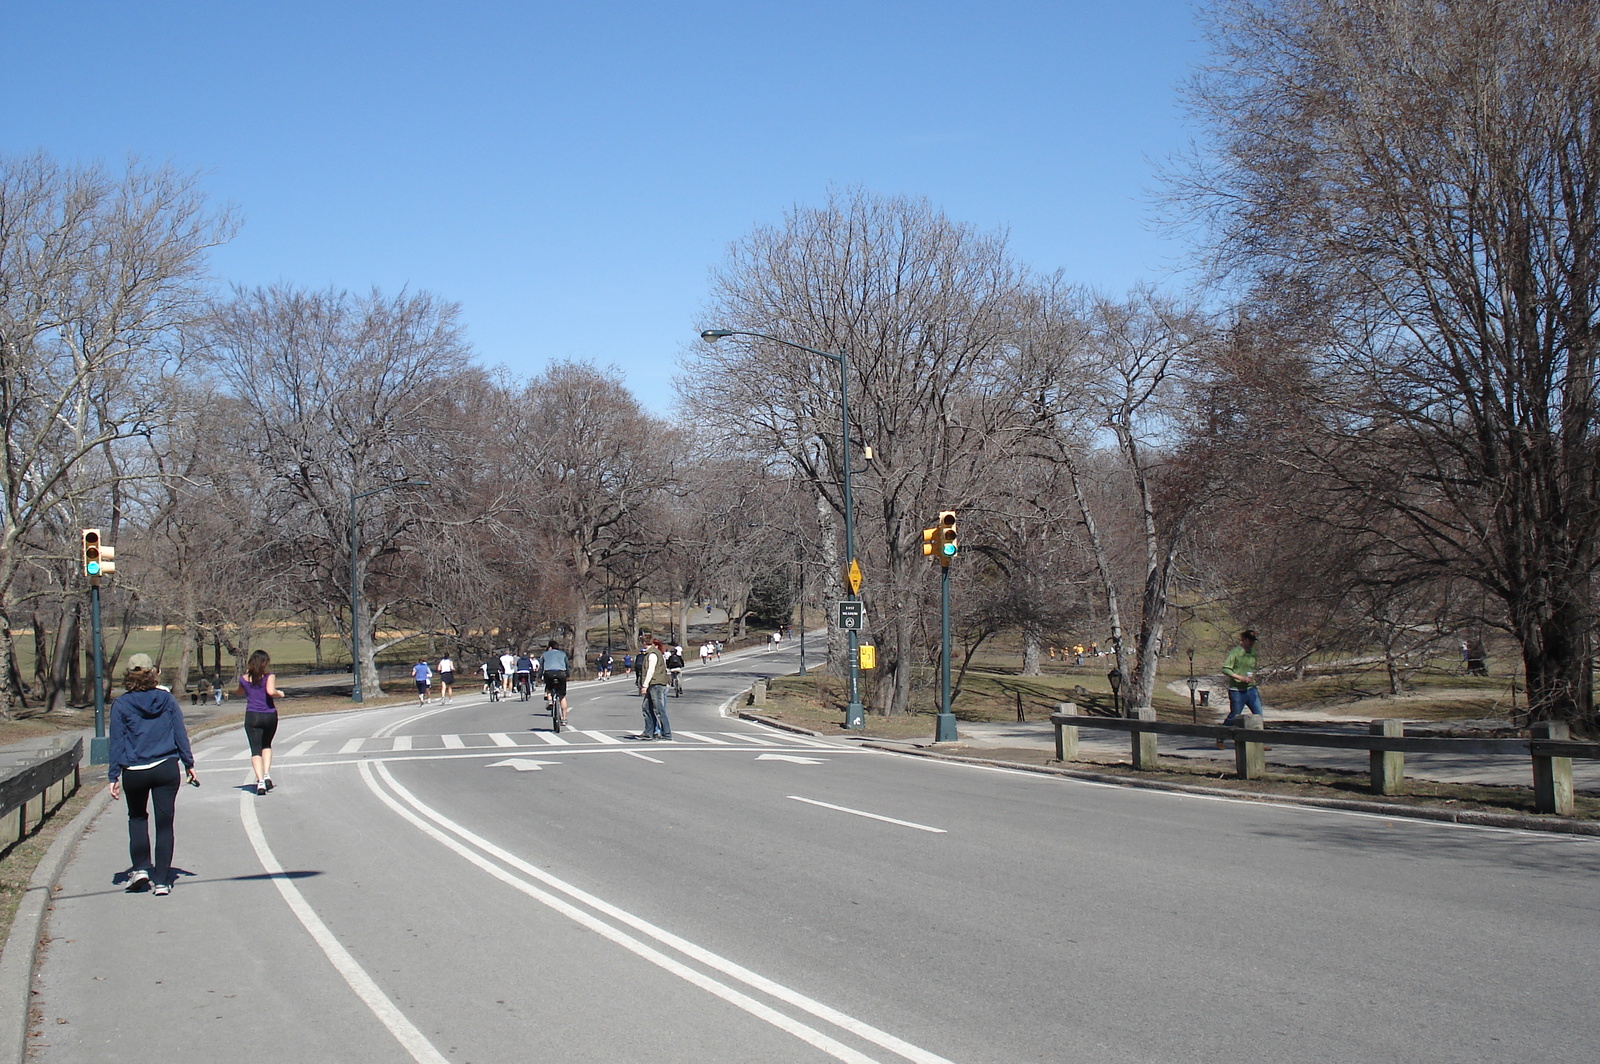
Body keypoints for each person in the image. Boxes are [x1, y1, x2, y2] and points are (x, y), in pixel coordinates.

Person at [108, 653, 196, 896]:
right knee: (164, 823)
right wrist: (188, 763)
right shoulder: (166, 700)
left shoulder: (121, 704)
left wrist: (113, 775)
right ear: (153, 673)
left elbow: (116, 742)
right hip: (165, 767)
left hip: (135, 770)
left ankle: (141, 868)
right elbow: (180, 732)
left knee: (137, 818)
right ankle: (162, 880)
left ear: (129, 676)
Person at [236, 650, 285, 795]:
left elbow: (239, 692)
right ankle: (267, 774)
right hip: (269, 714)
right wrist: (279, 693)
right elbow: (270, 691)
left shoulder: (244, 679)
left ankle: (260, 781)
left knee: (255, 750)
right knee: (267, 745)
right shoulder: (269, 676)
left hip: (252, 716)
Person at [1217, 630, 1262, 747]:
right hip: (1237, 690)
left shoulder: (1252, 653)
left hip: (1251, 689)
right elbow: (1225, 669)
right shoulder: (1235, 652)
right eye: (1250, 640)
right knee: (1235, 715)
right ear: (1245, 640)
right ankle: (1220, 737)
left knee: (1258, 714)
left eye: (1253, 641)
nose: (1252, 643)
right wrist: (1240, 678)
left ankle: (1259, 742)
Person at [637, 639, 673, 739]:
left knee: (659, 709)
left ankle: (666, 733)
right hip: (653, 684)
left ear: (644, 643)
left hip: (656, 684)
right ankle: (649, 732)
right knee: (646, 707)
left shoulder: (652, 655)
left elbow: (650, 671)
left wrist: (645, 685)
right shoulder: (652, 653)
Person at [540, 640, 571, 726]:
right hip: (561, 673)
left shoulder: (545, 654)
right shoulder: (563, 654)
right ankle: (564, 719)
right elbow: (567, 666)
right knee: (562, 696)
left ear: (550, 647)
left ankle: (550, 700)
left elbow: (541, 667)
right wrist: (567, 675)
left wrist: (539, 677)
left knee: (548, 688)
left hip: (549, 673)